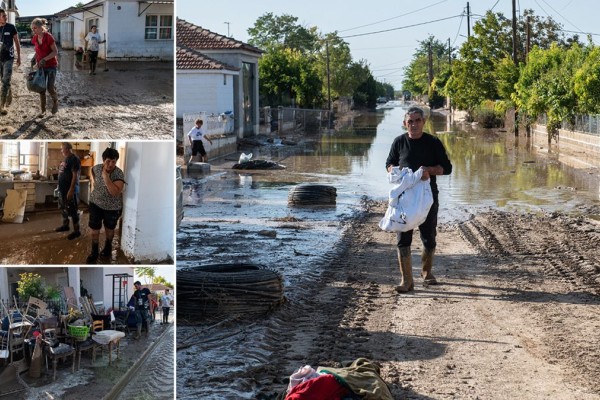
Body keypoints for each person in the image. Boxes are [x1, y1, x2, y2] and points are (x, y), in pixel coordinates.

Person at [385, 106, 452, 292]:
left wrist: (429, 171)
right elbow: (389, 163)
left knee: (429, 236)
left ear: (424, 122)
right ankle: (406, 281)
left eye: (417, 121)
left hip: (427, 197)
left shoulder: (433, 142)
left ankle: (426, 272)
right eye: (410, 121)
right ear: (404, 123)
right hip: (404, 198)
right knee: (403, 236)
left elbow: (447, 168)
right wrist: (393, 170)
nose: (413, 124)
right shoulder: (399, 142)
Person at [86, 147, 125, 264]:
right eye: (108, 161)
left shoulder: (118, 173)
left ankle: (107, 248)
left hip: (112, 208)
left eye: (114, 162)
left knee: (109, 229)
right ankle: (94, 252)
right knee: (94, 230)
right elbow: (94, 179)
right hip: (95, 204)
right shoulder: (96, 168)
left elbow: (114, 192)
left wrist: (106, 177)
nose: (110, 164)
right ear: (103, 160)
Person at [31, 18, 59, 116]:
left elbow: (55, 52)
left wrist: (44, 59)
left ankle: (55, 102)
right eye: (32, 28)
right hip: (41, 67)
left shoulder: (48, 37)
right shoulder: (35, 38)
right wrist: (34, 59)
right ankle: (43, 110)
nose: (33, 30)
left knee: (50, 88)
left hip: (51, 66)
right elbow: (38, 51)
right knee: (41, 88)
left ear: (40, 27)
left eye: (35, 28)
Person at [56, 142, 81, 240]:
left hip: (70, 191)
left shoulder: (74, 159)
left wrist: (71, 190)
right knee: (64, 209)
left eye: (62, 149)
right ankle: (65, 226)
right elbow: (63, 173)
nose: (61, 151)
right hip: (63, 190)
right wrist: (59, 186)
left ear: (67, 149)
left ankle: (77, 231)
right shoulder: (66, 158)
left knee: (73, 211)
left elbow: (75, 176)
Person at [0, 8, 20, 115]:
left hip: (9, 58)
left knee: (5, 81)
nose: (5, 17)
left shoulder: (11, 27)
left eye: (5, 15)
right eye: (3, 15)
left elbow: (17, 42)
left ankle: (1, 106)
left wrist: (19, 57)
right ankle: (9, 93)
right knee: (3, 80)